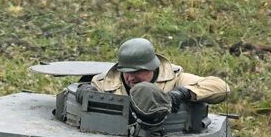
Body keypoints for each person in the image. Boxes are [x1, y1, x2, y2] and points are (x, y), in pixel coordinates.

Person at [90, 37, 230, 110]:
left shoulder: (174, 79)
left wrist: (182, 94)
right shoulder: (104, 83)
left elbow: (221, 88)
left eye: (137, 71)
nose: (130, 78)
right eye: (126, 72)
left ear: (152, 67)